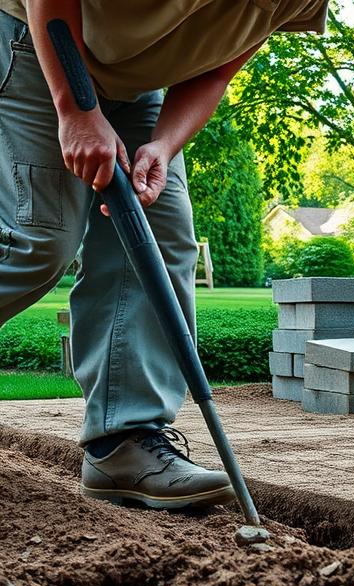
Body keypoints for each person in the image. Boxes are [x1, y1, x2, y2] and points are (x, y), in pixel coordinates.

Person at [0, 0, 328, 508]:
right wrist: (77, 111)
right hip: (32, 39)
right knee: (37, 241)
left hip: (137, 87)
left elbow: (217, 71)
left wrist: (164, 146)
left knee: (159, 232)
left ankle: (122, 443)